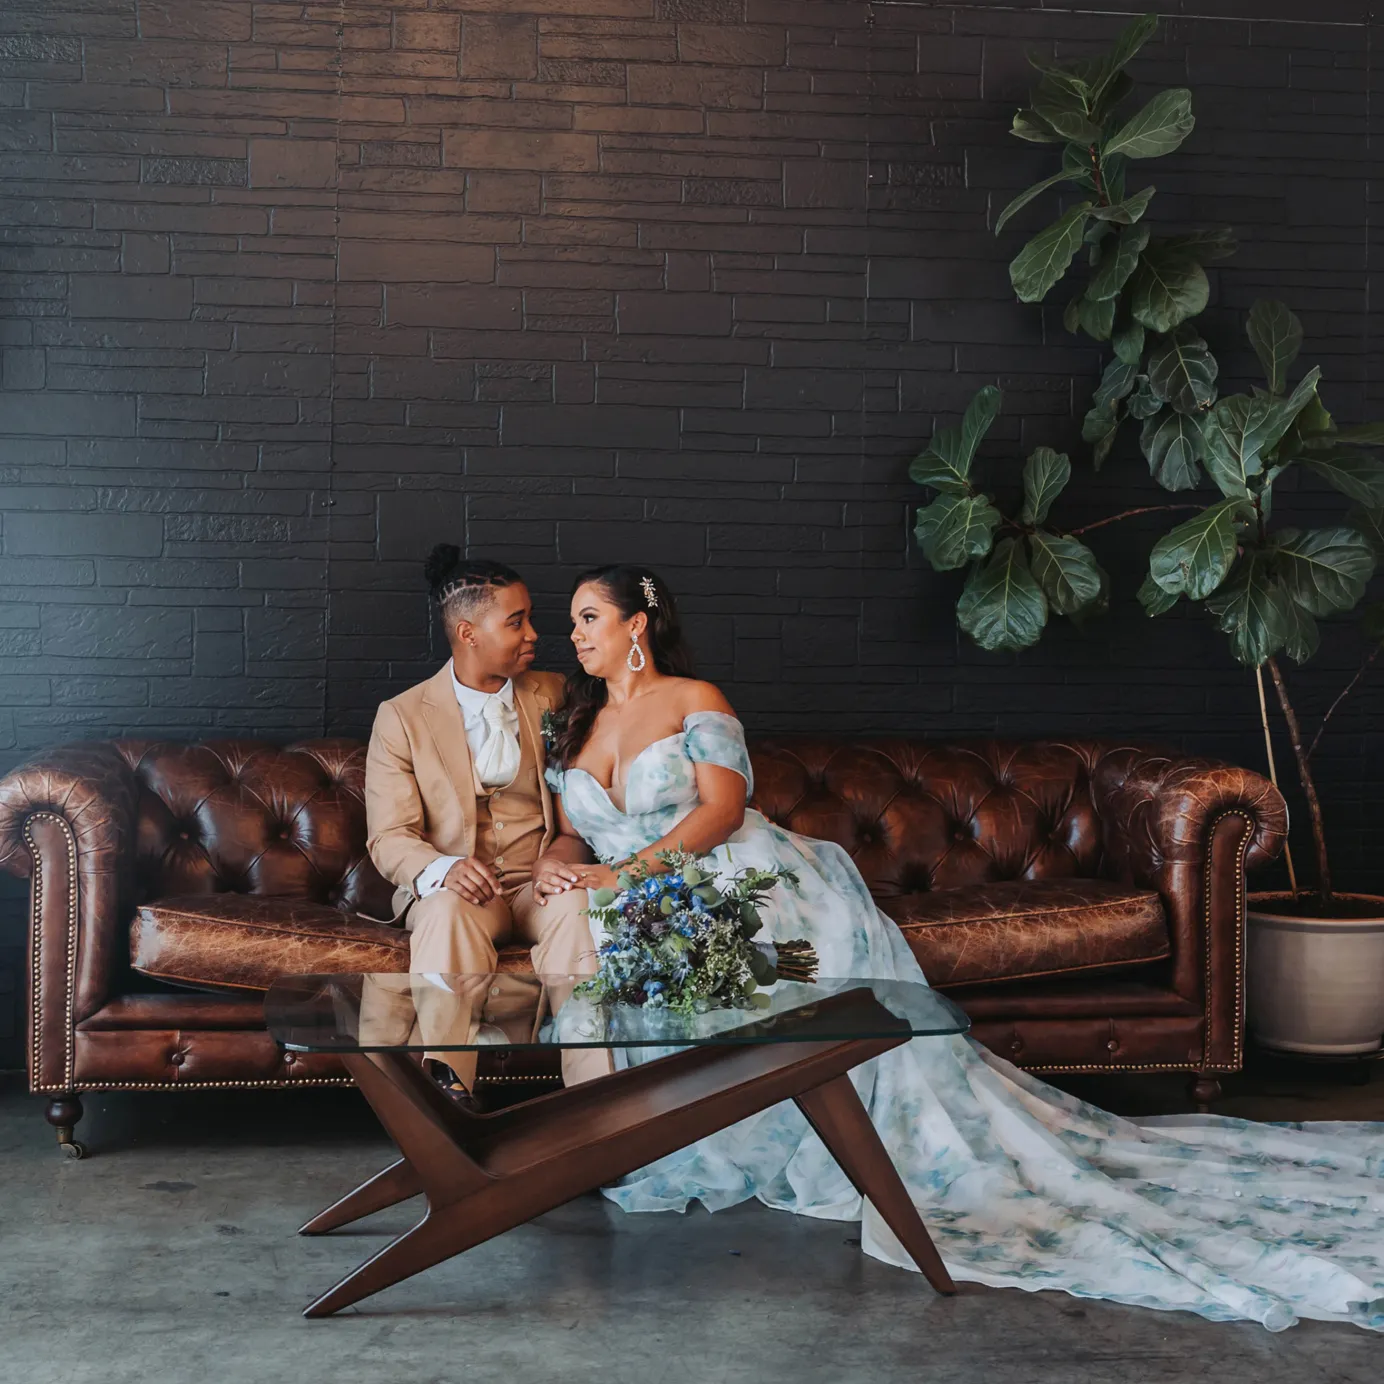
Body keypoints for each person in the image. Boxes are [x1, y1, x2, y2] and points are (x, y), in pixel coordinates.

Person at [538, 563, 1384, 1333]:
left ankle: (832, 1121)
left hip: (732, 871)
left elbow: (720, 812)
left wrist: (631, 876)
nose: (574, 634)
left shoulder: (696, 699)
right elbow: (575, 837)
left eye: (587, 618)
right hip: (639, 896)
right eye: (572, 622)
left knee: (767, 965)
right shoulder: (574, 721)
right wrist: (555, 867)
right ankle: (631, 1133)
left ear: (636, 626)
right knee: (639, 974)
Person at [363, 547, 611, 1097]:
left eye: (530, 619)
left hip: (539, 883)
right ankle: (446, 1094)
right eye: (516, 621)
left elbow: (578, 816)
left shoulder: (556, 694)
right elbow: (389, 836)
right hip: (466, 891)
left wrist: (561, 860)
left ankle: (599, 1100)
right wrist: (443, 869)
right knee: (447, 911)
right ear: (469, 632)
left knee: (577, 905)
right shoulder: (401, 717)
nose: (533, 635)